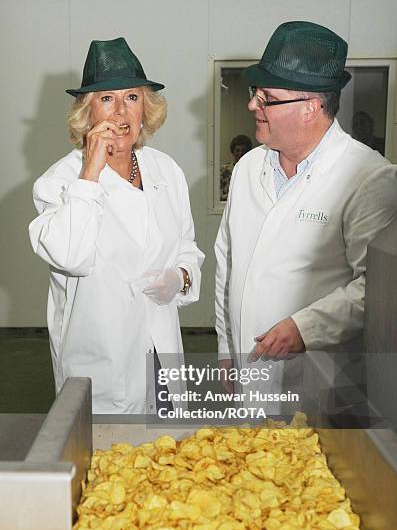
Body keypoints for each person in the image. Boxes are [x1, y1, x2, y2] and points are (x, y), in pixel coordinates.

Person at [215, 21, 397, 411]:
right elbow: (226, 264)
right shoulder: (249, 167)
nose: (252, 106)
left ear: (310, 107)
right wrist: (225, 350)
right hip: (247, 368)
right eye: (255, 94)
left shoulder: (368, 178)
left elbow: (379, 289)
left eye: (266, 98)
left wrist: (305, 327)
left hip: (319, 377)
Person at [29, 37, 204, 414]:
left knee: (170, 465)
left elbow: (187, 247)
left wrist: (181, 277)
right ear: (87, 112)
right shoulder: (59, 182)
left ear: (146, 108)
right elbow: (72, 256)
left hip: (162, 354)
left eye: (132, 98)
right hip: (101, 364)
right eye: (106, 99)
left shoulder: (166, 171)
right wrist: (90, 172)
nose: (121, 112)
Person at [220, 135, 252, 200]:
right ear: (233, 151)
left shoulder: (252, 171)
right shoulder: (224, 170)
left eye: (243, 150)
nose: (240, 153)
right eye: (237, 150)